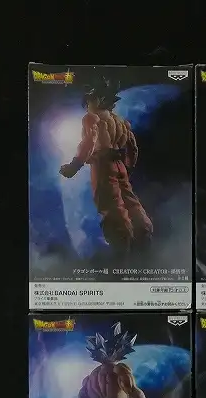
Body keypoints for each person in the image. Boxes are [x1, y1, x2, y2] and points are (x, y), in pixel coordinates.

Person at [59, 78, 153, 262]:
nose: (87, 106)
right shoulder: (121, 122)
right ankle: (144, 243)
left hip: (103, 167)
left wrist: (74, 165)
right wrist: (127, 167)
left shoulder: (92, 118)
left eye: (88, 101)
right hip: (120, 167)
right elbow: (133, 148)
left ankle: (121, 261)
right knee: (132, 204)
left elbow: (89, 142)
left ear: (95, 99)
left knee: (112, 210)